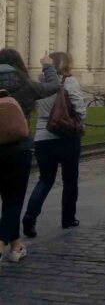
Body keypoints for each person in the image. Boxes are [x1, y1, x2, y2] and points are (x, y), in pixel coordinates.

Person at [0, 49, 59, 263]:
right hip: (18, 149)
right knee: (13, 200)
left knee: (8, 201)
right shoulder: (24, 83)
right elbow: (53, 87)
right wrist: (48, 65)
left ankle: (16, 246)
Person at [22, 52, 87, 238]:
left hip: (43, 135)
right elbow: (79, 107)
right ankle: (68, 218)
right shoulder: (69, 82)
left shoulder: (40, 83)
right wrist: (80, 123)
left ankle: (30, 216)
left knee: (45, 180)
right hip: (67, 136)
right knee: (70, 180)